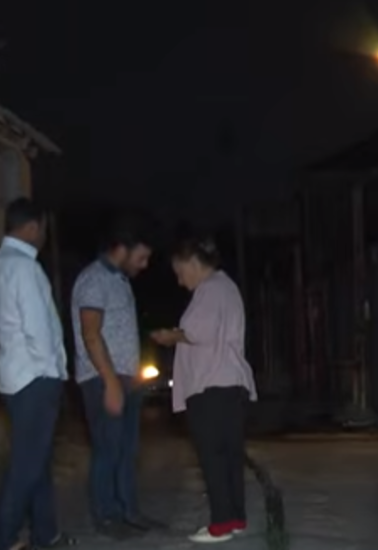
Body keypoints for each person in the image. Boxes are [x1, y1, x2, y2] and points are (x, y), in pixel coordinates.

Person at [150, 237, 257, 544]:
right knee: (230, 456)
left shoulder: (209, 289)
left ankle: (221, 523)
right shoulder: (227, 287)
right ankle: (235, 517)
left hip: (211, 385)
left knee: (213, 456)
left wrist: (171, 336)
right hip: (231, 384)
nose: (180, 280)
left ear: (194, 263)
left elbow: (198, 332)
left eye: (180, 272)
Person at [0, 198, 76, 550]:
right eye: (43, 229)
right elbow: (37, 328)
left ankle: (45, 534)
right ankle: (4, 540)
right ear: (33, 227)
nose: (44, 236)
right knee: (27, 465)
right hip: (34, 376)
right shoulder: (24, 268)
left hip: (15, 375)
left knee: (37, 460)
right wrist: (52, 371)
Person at [70, 219, 154, 538]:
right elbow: (91, 334)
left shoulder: (119, 280)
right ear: (122, 249)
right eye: (141, 257)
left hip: (123, 379)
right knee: (107, 449)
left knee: (126, 450)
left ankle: (129, 511)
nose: (144, 265)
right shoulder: (94, 279)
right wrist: (111, 382)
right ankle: (107, 516)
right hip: (102, 379)